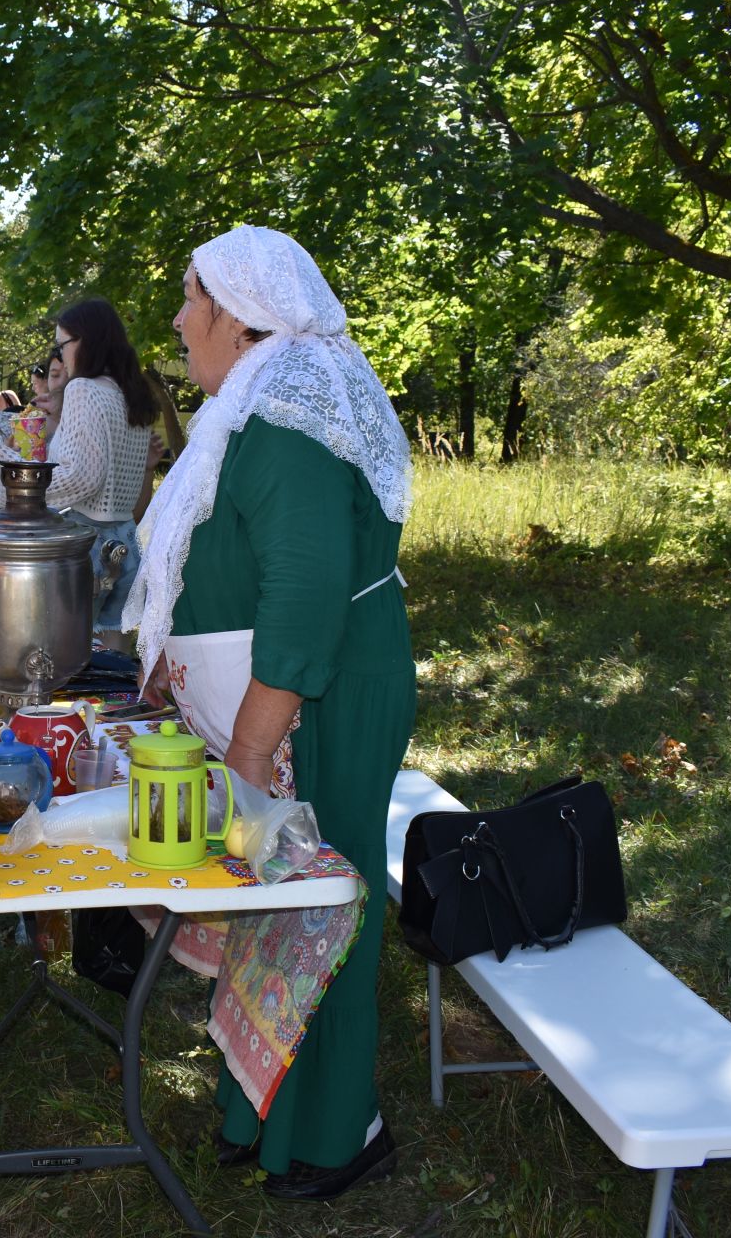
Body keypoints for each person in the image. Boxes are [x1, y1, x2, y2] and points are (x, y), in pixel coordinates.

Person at [125, 225, 415, 1202]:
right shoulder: (249, 408)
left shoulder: (290, 421)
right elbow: (221, 554)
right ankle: (263, 1110)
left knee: (324, 901)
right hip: (276, 694)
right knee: (268, 904)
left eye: (189, 295)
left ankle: (339, 1129)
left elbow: (303, 592)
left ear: (238, 316)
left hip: (313, 697)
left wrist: (252, 747)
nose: (176, 317)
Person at [0, 297, 158, 636]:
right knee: (113, 662)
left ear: (86, 341)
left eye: (63, 346)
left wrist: (17, 479)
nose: (60, 356)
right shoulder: (131, 393)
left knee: (61, 658)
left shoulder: (84, 389)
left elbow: (80, 476)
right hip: (125, 541)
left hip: (86, 548)